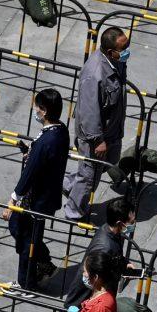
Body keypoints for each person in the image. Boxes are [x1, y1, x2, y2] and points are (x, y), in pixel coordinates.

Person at [3, 88, 70, 292]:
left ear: (45, 111)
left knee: (25, 238)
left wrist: (13, 200)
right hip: (46, 196)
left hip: (37, 199)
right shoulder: (60, 130)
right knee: (24, 233)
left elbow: (30, 173)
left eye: (37, 107)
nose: (35, 110)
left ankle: (27, 284)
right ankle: (44, 264)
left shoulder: (47, 140)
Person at [63, 26, 129, 221]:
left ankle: (67, 184)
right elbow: (89, 111)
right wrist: (98, 140)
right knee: (89, 175)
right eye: (123, 48)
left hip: (111, 131)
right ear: (110, 51)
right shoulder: (95, 73)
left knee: (102, 165)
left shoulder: (115, 61)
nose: (127, 51)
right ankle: (74, 211)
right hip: (96, 136)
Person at [64, 197, 135, 308]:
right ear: (120, 223)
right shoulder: (104, 248)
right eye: (131, 222)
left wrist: (123, 263)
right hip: (86, 303)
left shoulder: (112, 231)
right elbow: (93, 279)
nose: (133, 225)